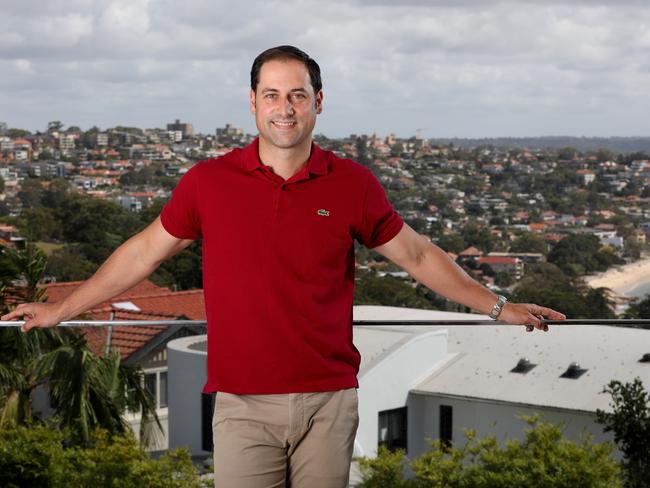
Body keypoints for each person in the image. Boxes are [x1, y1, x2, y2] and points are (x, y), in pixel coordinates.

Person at [2, 46, 565, 487]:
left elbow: (417, 255)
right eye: (272, 95)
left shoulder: (352, 184)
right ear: (252, 103)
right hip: (243, 403)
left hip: (329, 399)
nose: (285, 109)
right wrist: (63, 309)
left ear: (320, 101)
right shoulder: (209, 183)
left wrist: (499, 307)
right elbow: (144, 251)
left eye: (297, 95)